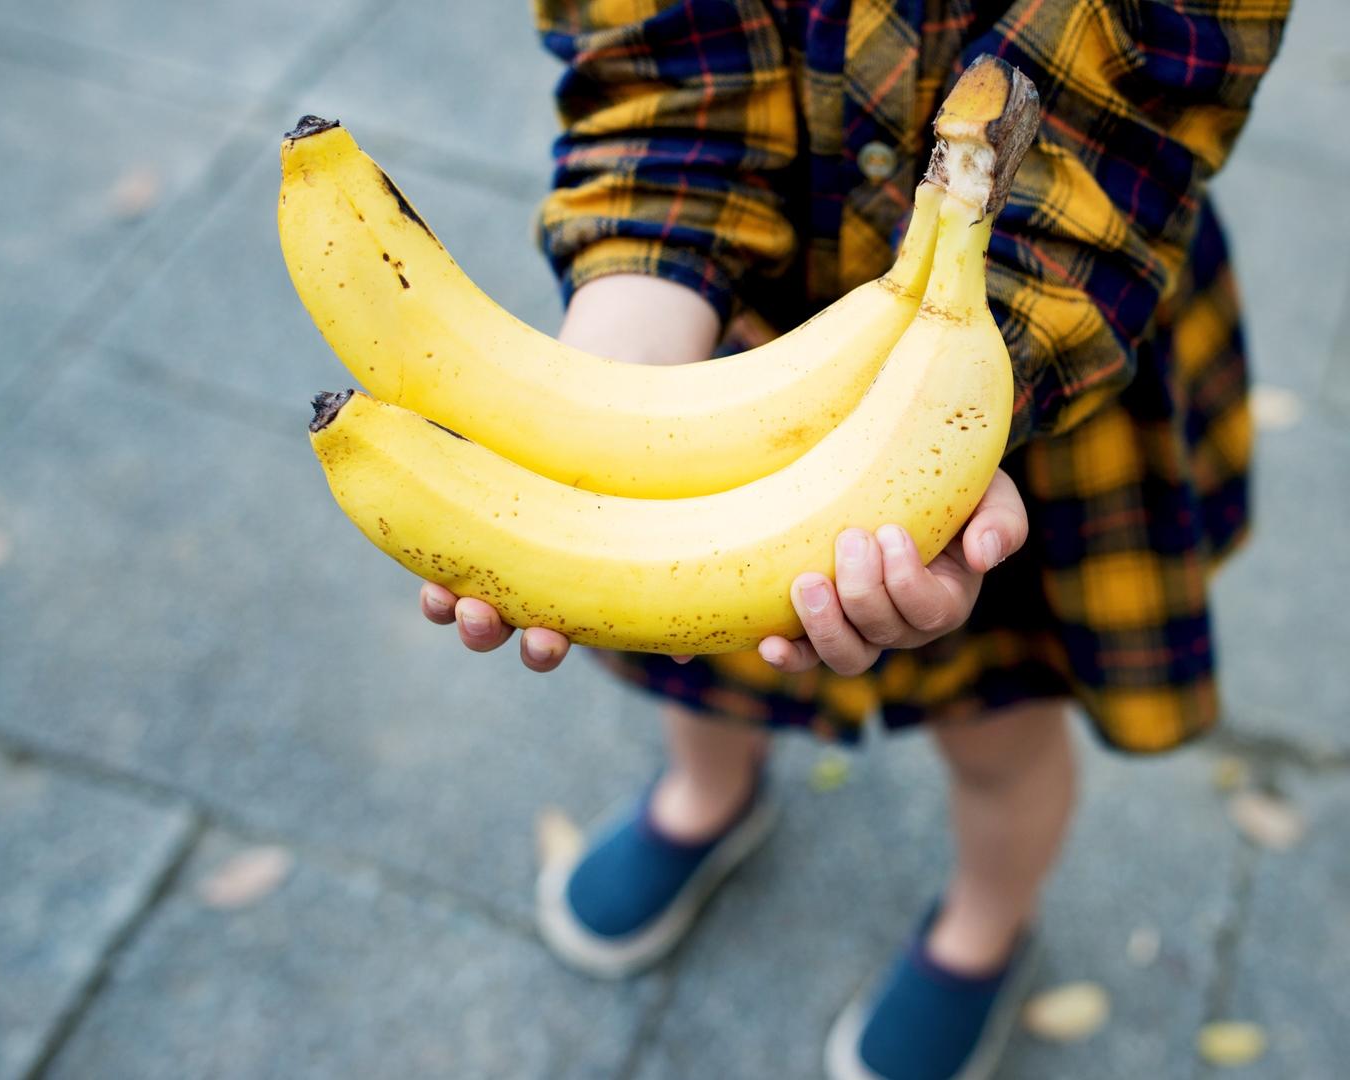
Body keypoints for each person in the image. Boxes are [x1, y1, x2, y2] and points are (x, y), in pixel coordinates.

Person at [416, 2, 1288, 1076]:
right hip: (743, 336)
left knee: (999, 725)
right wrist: (631, 352)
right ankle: (707, 796)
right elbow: (656, 66)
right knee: (693, 647)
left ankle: (983, 927)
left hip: (1039, 357)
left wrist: (957, 413)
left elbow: (1126, 110)